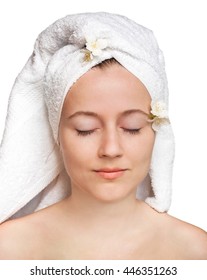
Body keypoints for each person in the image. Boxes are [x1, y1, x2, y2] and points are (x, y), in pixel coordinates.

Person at [0, 12, 206, 260]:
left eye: (132, 127)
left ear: (156, 131)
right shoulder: (8, 250)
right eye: (85, 129)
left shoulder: (195, 252)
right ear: (57, 135)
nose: (110, 149)